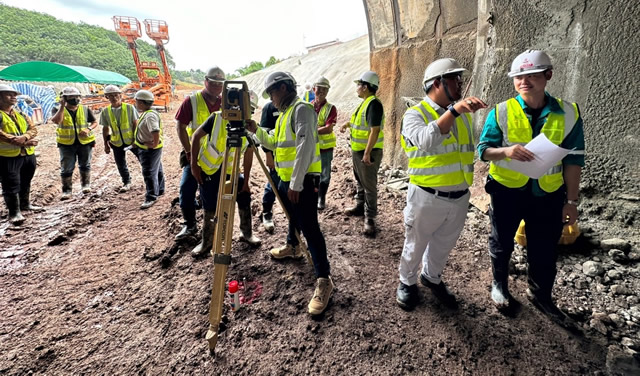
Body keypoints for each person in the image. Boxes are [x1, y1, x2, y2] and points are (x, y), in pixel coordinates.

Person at [478, 50, 585, 327]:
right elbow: (484, 151)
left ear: (547, 75)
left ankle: (541, 295)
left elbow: (574, 160)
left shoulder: (569, 113)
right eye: (518, 76)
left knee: (545, 247)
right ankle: (499, 286)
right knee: (501, 242)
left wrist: (571, 202)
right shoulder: (501, 111)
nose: (524, 81)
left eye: (531, 75)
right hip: (507, 190)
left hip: (548, 194)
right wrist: (507, 152)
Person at [395, 59, 487, 310]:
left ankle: (431, 277)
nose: (460, 84)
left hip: (458, 196)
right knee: (416, 243)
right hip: (427, 196)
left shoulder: (462, 117)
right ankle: (407, 282)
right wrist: (454, 111)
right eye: (454, 80)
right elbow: (425, 141)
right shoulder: (415, 114)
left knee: (443, 244)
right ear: (437, 83)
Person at [246, 71, 333, 316]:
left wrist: (296, 183)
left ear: (283, 88)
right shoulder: (285, 114)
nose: (271, 98)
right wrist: (255, 130)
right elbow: (274, 142)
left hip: (303, 181)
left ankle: (324, 279)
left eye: (272, 92)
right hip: (287, 180)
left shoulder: (302, 109)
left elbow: (305, 146)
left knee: (310, 228)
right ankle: (293, 246)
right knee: (293, 217)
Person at [189, 90, 261, 256]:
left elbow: (249, 155)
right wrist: (194, 165)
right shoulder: (217, 118)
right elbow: (196, 136)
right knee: (210, 206)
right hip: (209, 170)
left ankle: (246, 233)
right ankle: (207, 242)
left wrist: (246, 181)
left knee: (243, 195)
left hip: (231, 171)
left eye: (248, 110)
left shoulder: (249, 126)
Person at [174, 67, 226, 240]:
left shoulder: (225, 102)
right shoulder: (192, 101)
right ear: (206, 81)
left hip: (217, 157)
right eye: (214, 83)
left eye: (220, 84)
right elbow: (180, 127)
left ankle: (214, 226)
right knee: (187, 188)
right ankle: (190, 225)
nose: (217, 87)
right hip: (195, 154)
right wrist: (189, 153)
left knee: (217, 191)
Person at [340, 71, 384, 236]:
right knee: (359, 180)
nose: (357, 88)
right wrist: (347, 124)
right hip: (358, 151)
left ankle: (370, 218)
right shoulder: (365, 103)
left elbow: (374, 130)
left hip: (367, 153)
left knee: (369, 185)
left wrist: (367, 153)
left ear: (365, 87)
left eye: (359, 85)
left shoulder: (374, 104)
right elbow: (360, 121)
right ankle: (360, 205)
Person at [0, 84, 42, 225]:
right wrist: (16, 141)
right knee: (11, 184)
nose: (13, 97)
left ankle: (25, 204)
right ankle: (14, 213)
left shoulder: (20, 114)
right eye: (9, 94)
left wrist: (24, 138)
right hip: (7, 156)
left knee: (25, 180)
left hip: (27, 154)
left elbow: (33, 128)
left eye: (14, 95)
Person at [51, 86, 98, 199]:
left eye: (77, 96)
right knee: (67, 168)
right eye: (72, 97)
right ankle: (67, 190)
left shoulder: (85, 109)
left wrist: (88, 129)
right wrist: (62, 106)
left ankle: (85, 185)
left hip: (85, 142)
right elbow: (57, 121)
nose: (75, 99)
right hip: (66, 144)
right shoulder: (57, 109)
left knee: (85, 164)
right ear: (64, 98)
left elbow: (94, 122)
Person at [100, 85, 139, 192]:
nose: (114, 97)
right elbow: (105, 128)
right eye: (110, 96)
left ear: (120, 95)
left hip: (131, 140)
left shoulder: (129, 108)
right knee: (120, 164)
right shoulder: (105, 111)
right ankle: (126, 182)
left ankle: (149, 180)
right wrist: (105, 145)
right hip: (116, 142)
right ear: (107, 97)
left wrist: (136, 139)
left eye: (116, 95)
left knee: (143, 160)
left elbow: (135, 123)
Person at [133, 90, 165, 209]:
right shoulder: (148, 113)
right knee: (157, 168)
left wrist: (153, 144)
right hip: (148, 147)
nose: (135, 104)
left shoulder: (150, 115)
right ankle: (160, 189)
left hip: (149, 149)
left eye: (136, 101)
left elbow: (155, 130)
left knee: (149, 171)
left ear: (141, 102)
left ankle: (151, 196)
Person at [312, 76, 337, 210]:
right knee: (312, 174)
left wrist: (311, 132)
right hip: (311, 148)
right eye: (319, 88)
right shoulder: (308, 107)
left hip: (325, 148)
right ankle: (314, 197)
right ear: (313, 89)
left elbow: (328, 128)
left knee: (324, 174)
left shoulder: (330, 108)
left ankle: (321, 198)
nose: (321, 92)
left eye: (325, 89)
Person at [258, 100, 280, 233]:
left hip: (291, 156)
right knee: (273, 184)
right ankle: (266, 213)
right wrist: (268, 155)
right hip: (275, 155)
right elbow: (263, 133)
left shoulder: (294, 107)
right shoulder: (269, 108)